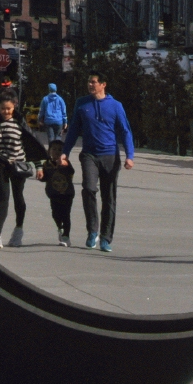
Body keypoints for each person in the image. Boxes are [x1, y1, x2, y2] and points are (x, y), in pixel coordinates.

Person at [68, 72, 134, 252]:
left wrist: (130, 156)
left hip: (110, 157)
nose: (90, 85)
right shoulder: (82, 104)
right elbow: (73, 130)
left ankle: (105, 238)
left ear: (103, 84)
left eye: (94, 82)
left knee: (109, 198)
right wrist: (64, 153)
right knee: (89, 189)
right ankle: (92, 231)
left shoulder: (115, 106)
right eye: (89, 81)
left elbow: (125, 131)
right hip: (89, 155)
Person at [0, 95, 38, 248]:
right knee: (3, 196)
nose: (6, 111)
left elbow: (31, 145)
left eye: (9, 109)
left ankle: (18, 230)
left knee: (18, 196)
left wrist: (38, 166)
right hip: (0, 163)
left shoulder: (20, 122)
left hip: (18, 164)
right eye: (2, 108)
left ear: (14, 108)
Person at [39, 139, 76, 247]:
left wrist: (65, 164)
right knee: (55, 214)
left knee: (66, 215)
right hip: (53, 193)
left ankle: (66, 236)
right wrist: (41, 176)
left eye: (60, 150)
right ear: (49, 151)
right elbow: (45, 178)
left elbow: (71, 172)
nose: (56, 152)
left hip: (67, 193)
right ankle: (60, 227)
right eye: (54, 149)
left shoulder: (66, 163)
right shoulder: (46, 164)